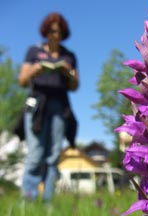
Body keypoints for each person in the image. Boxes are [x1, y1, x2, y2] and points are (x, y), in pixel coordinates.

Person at [18, 12, 79, 202]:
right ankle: (28, 200)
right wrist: (35, 70)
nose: (56, 34)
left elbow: (75, 85)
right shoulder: (34, 52)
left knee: (53, 155)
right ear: (46, 31)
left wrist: (68, 73)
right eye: (52, 31)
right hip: (37, 104)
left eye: (59, 31)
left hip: (59, 106)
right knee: (35, 153)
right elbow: (22, 80)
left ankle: (48, 202)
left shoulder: (68, 56)